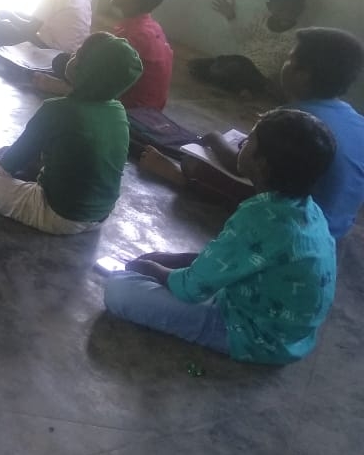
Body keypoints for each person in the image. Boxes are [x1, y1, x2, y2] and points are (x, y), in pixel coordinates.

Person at [104, 108, 337, 365]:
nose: (242, 142)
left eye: (250, 139)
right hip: (287, 336)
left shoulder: (259, 218)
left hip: (253, 337)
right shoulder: (308, 211)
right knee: (176, 272)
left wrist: (151, 268)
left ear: (262, 164)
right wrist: (172, 259)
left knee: (119, 290)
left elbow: (190, 290)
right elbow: (241, 259)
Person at [139, 27, 364, 239]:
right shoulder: (357, 121)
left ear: (303, 74)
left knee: (193, 163)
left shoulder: (294, 117)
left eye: (289, 59)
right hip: (337, 229)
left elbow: (238, 164)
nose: (284, 65)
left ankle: (181, 179)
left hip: (293, 226)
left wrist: (214, 138)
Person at [0, 32, 142, 234]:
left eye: (78, 54)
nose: (71, 55)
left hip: (56, 214)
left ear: (84, 70)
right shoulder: (117, 110)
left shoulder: (57, 109)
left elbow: (7, 166)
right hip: (99, 215)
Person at [40, 0, 173, 111]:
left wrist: (59, 87)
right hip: (151, 106)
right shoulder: (148, 26)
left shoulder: (136, 36)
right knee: (63, 61)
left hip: (133, 109)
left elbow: (102, 81)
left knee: (66, 65)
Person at [189, 0, 306, 96]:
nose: (288, 8)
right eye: (282, 6)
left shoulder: (298, 37)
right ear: (269, 6)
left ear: (301, 9)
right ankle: (239, 88)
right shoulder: (261, 19)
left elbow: (288, 67)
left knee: (238, 65)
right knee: (198, 65)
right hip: (239, 65)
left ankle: (238, 86)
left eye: (294, 5)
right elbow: (241, 38)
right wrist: (231, 16)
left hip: (260, 76)